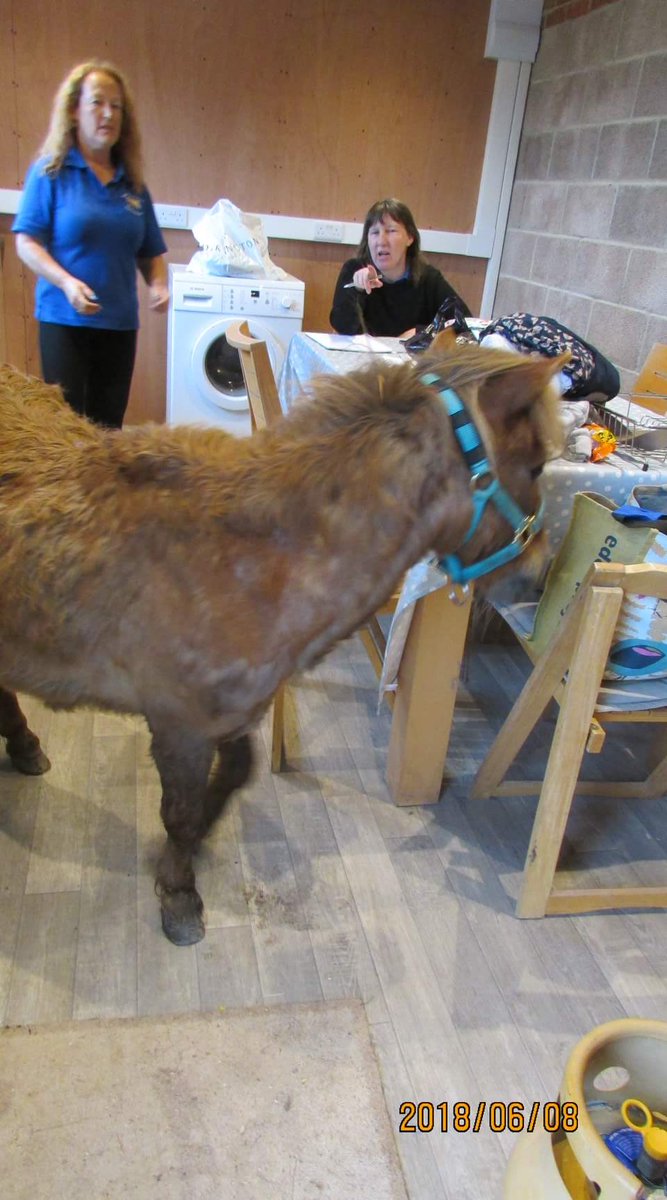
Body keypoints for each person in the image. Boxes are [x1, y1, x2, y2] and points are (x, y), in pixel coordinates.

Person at [12, 60, 169, 428]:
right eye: (97, 102)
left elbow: (151, 251)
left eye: (116, 106)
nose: (108, 114)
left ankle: (101, 489)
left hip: (119, 325)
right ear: (73, 110)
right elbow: (27, 243)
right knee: (65, 430)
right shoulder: (50, 172)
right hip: (64, 320)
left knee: (108, 430)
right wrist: (67, 282)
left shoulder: (133, 185)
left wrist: (159, 284)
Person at [329, 198, 471, 339]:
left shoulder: (428, 278)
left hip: (412, 360)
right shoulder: (354, 269)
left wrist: (421, 331)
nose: (381, 241)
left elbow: (464, 322)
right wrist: (357, 289)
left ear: (410, 237)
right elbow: (342, 327)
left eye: (390, 231)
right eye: (374, 233)